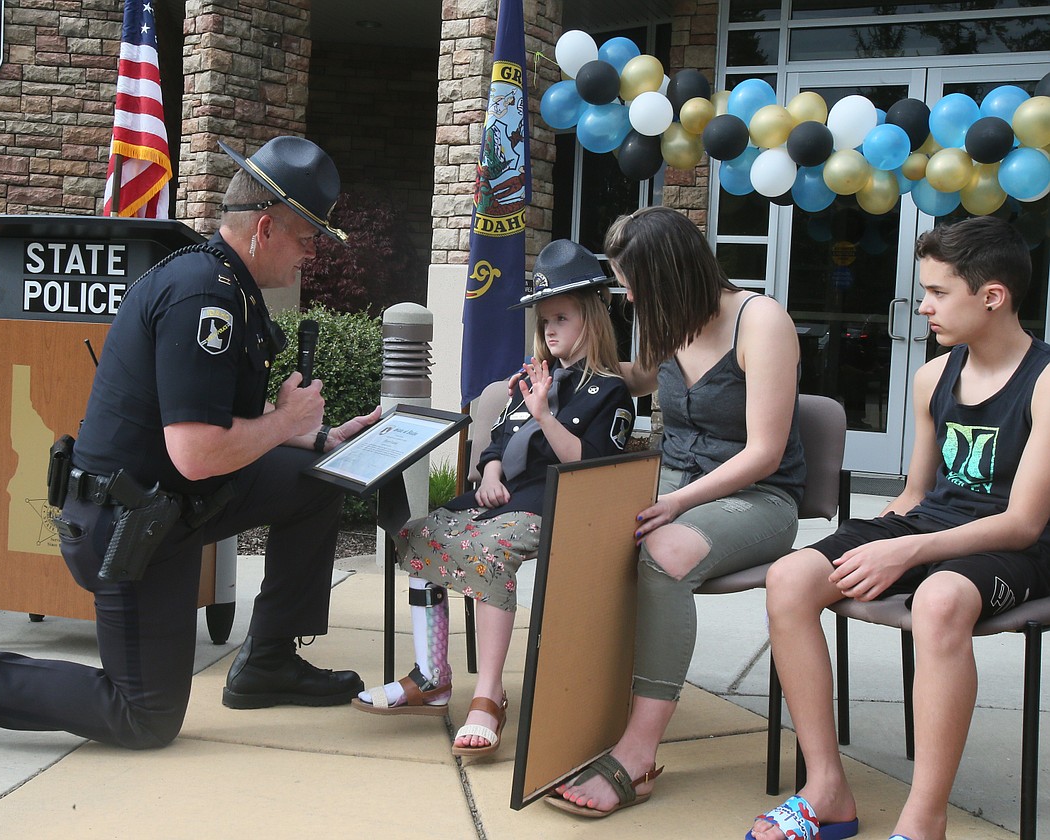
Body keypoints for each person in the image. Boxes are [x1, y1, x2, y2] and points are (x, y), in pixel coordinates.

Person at [0, 135, 381, 749]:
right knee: (144, 717)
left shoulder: (228, 283)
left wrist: (312, 436)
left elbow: (210, 445)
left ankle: (270, 662)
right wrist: (282, 423)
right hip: (128, 527)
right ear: (266, 227)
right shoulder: (205, 297)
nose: (312, 256)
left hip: (176, 500)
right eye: (308, 240)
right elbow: (196, 451)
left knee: (318, 477)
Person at [748, 215, 1050, 840]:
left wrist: (908, 549)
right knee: (791, 578)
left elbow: (1022, 523)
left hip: (1019, 546)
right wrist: (866, 546)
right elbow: (915, 496)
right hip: (932, 525)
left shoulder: (1045, 383)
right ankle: (826, 788)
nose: (923, 306)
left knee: (939, 600)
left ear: (992, 296)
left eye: (938, 292)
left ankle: (924, 819)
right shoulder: (933, 376)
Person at [547, 205, 806, 817]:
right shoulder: (672, 323)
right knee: (578, 532)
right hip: (675, 488)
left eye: (634, 283)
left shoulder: (761, 322)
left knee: (661, 555)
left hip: (756, 499)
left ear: (670, 274)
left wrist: (676, 501)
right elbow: (640, 379)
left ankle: (638, 754)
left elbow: (766, 453)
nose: (629, 295)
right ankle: (583, 714)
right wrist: (575, 348)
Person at [351, 239, 635, 757]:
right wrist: (490, 472)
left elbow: (593, 469)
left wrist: (545, 411)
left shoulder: (607, 391)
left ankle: (489, 695)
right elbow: (502, 440)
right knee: (421, 533)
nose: (549, 330)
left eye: (561, 319)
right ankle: (433, 675)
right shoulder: (531, 378)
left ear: (590, 320)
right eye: (544, 321)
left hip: (560, 506)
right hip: (506, 497)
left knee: (489, 551)